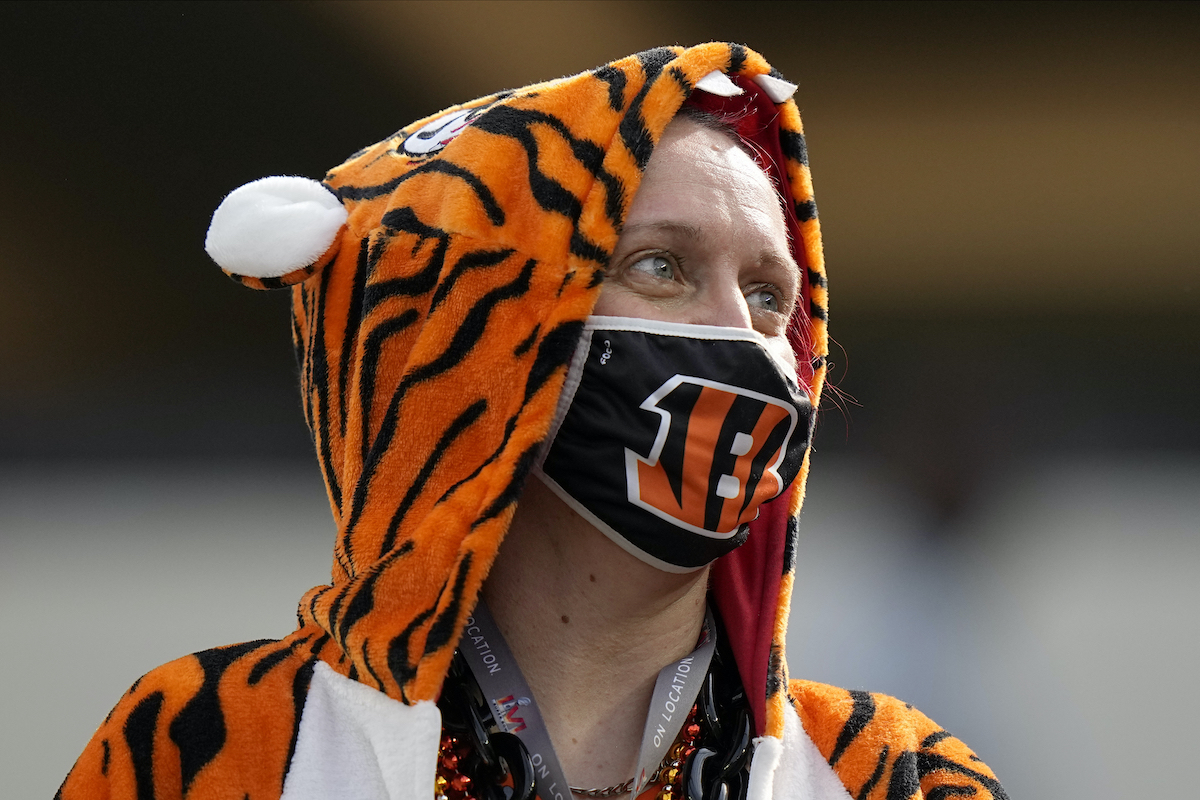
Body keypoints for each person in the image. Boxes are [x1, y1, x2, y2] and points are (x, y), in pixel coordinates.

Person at [59, 43, 1006, 800]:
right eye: (662, 267)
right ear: (471, 333)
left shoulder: (895, 776)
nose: (739, 335)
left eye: (770, 296)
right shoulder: (211, 748)